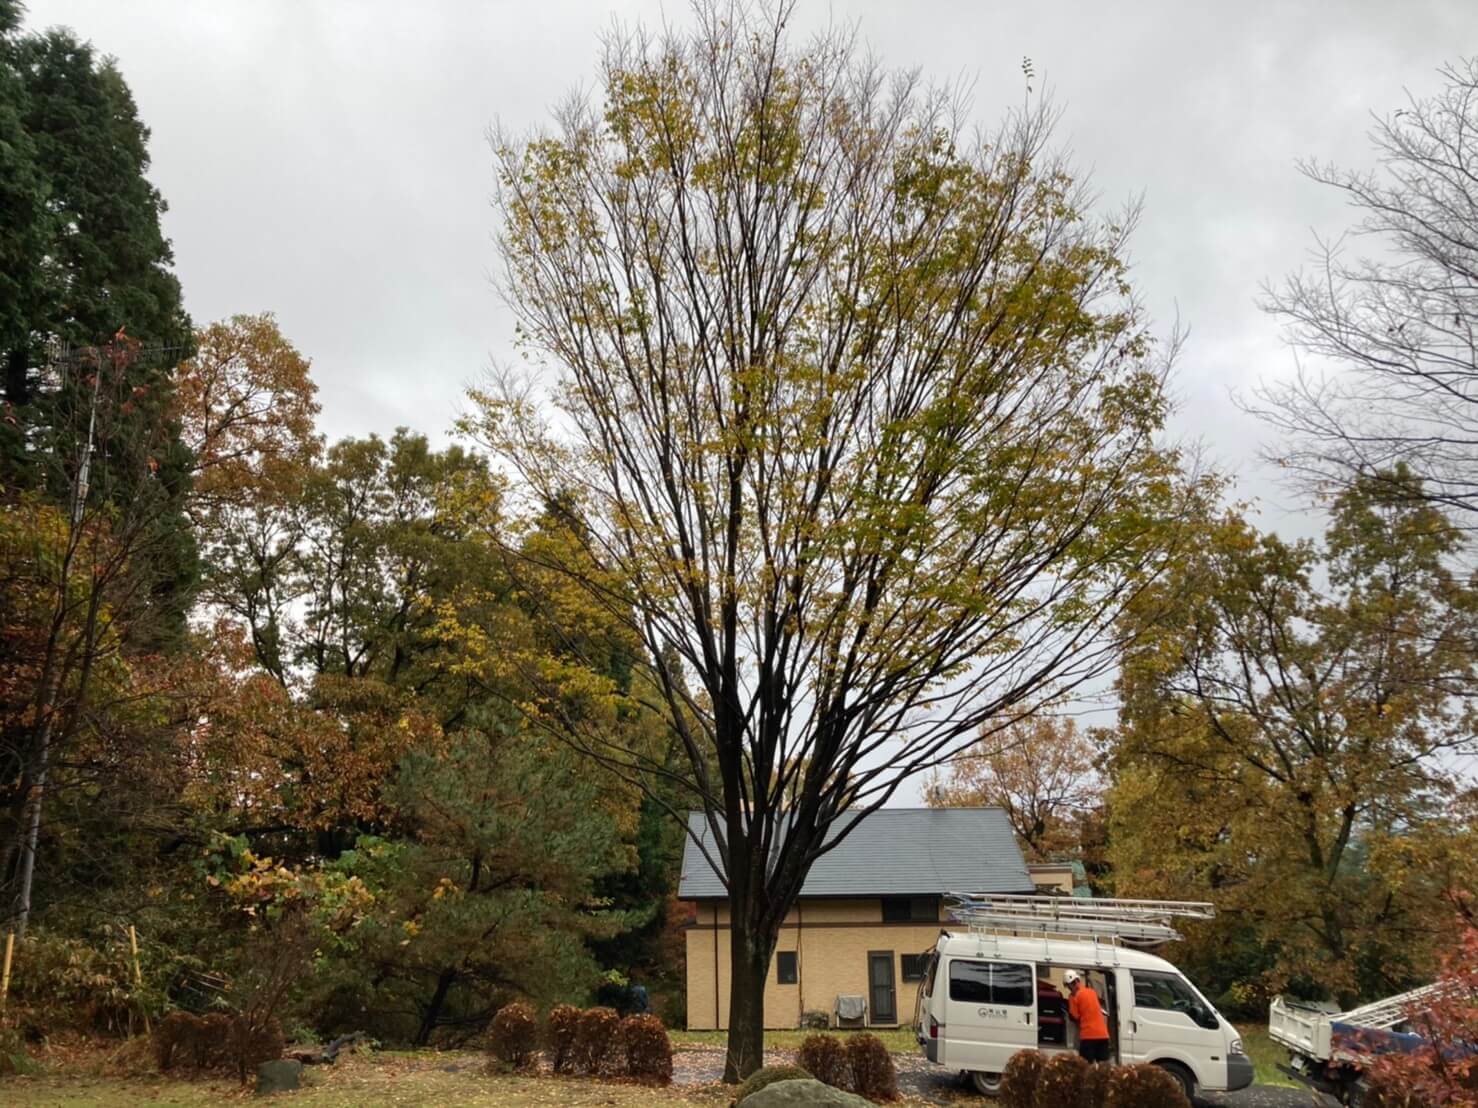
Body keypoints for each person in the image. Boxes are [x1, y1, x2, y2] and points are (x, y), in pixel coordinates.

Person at [1064, 969, 1111, 1063]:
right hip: (1103, 1035)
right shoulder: (1092, 992)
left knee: (1085, 1067)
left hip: (1088, 1036)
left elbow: (1075, 1017)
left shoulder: (1074, 996)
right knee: (1102, 1067)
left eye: (1068, 986)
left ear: (1069, 985)